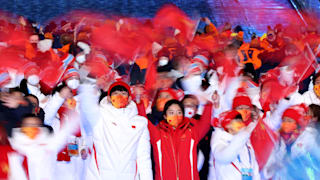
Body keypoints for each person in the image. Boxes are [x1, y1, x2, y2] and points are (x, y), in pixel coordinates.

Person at [80, 81, 153, 180]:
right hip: (99, 176)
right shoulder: (99, 116)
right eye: (115, 93)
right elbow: (87, 106)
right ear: (109, 98)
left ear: (130, 98)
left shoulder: (140, 123)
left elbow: (144, 157)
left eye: (123, 94)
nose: (119, 96)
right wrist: (93, 86)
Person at [147, 99, 212, 180]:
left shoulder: (191, 132)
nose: (175, 116)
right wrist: (139, 103)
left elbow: (205, 124)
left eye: (179, 112)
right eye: (171, 113)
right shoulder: (157, 134)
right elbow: (144, 122)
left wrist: (208, 104)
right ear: (165, 116)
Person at [8, 113, 79, 180]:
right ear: (22, 126)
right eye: (28, 125)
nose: (32, 127)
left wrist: (74, 116)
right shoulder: (14, 144)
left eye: (35, 125)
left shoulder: (48, 142)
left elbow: (66, 132)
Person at [210, 110, 260, 180]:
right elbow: (225, 157)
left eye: (241, 121)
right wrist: (244, 134)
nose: (241, 124)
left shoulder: (245, 142)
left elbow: (254, 169)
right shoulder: (219, 141)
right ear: (227, 125)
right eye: (237, 121)